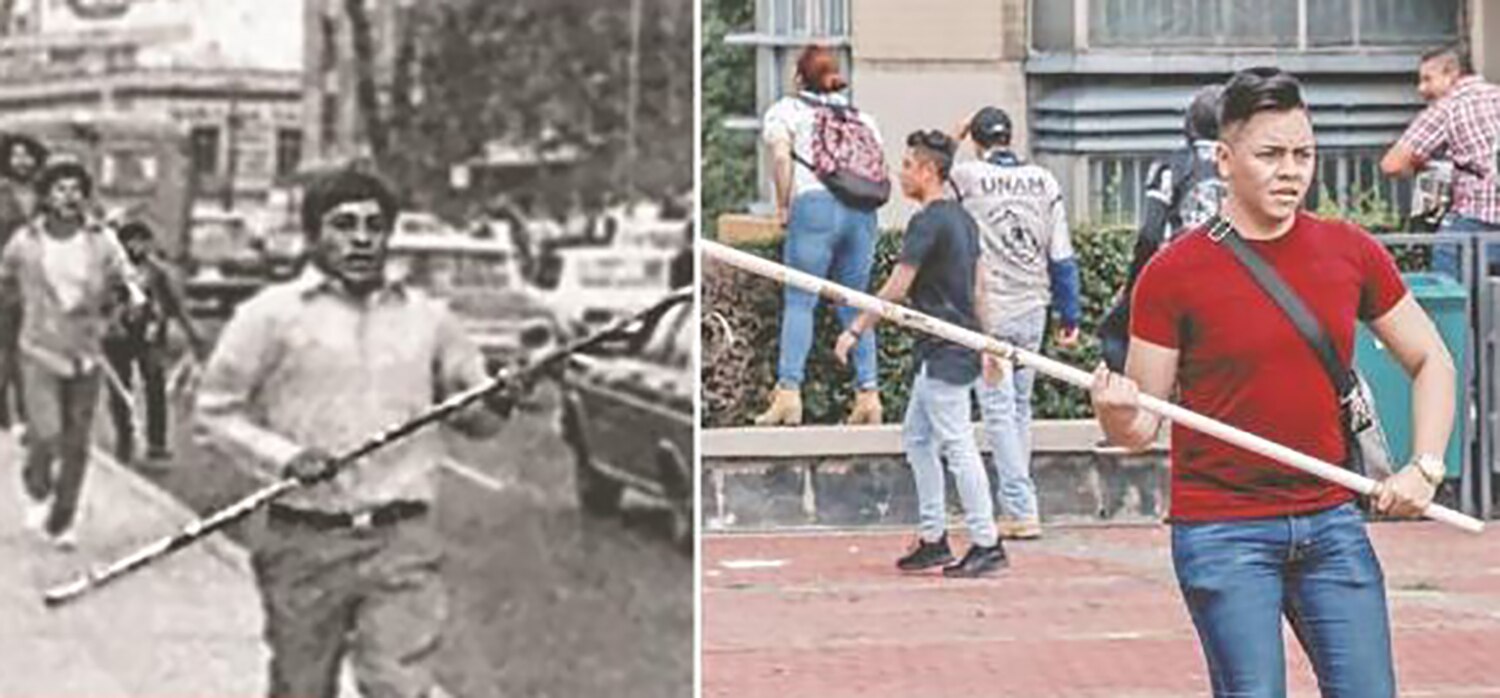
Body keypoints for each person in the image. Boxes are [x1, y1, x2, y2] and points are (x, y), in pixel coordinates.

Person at [1092, 66, 1456, 697]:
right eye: (1270, 155)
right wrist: (1116, 410)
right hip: (1223, 530)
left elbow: (1432, 360)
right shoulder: (1173, 273)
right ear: (1224, 160)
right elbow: (1140, 426)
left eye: (1303, 155)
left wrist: (1424, 466)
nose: (1291, 171)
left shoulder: (1350, 251)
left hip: (1332, 521)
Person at [195, 169, 517, 698]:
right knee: (301, 684)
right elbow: (215, 412)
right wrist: (285, 458)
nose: (362, 239)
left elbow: (475, 418)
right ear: (313, 235)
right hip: (303, 537)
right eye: (344, 225)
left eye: (374, 226)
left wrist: (500, 398)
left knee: (398, 682)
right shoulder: (268, 316)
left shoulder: (431, 320)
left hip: (401, 538)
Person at [835, 130, 1005, 578]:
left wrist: (855, 328)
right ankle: (933, 538)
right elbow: (979, 287)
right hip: (949, 346)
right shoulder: (963, 220)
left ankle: (987, 542)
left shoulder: (928, 222)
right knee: (917, 437)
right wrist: (988, 342)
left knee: (957, 444)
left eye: (908, 165)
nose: (901, 173)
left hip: (946, 348)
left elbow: (897, 286)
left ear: (929, 172)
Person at [947, 106, 1079, 540]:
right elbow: (1062, 254)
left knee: (999, 412)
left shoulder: (967, 176)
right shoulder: (1044, 180)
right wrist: (1070, 314)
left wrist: (954, 136)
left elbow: (931, 175)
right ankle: (1017, 504)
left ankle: (1022, 508)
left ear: (976, 140)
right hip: (1033, 307)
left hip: (991, 310)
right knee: (1019, 408)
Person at [2, 161, 143, 549]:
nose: (70, 197)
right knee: (46, 434)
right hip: (38, 350)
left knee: (77, 443)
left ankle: (62, 521)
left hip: (86, 352)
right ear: (46, 196)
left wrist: (131, 299)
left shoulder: (101, 240)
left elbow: (125, 277)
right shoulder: (26, 241)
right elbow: (5, 279)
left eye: (76, 189)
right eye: (61, 189)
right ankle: (36, 483)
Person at [755, 44, 884, 426]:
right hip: (862, 212)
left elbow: (781, 158)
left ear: (799, 78)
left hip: (814, 208)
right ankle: (869, 395)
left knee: (800, 301)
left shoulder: (787, 110)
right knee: (856, 302)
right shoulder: (861, 117)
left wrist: (783, 206)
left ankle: (789, 394)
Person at [1098, 85, 1225, 372]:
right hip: (1235, 281)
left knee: (1115, 335)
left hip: (1179, 277)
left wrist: (1133, 287)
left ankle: (1133, 390)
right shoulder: (1245, 168)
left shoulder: (1170, 166)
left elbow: (1150, 234)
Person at [1381, 44, 1500, 279]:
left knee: (1448, 277)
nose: (1421, 89)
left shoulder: (1448, 107)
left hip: (1478, 218)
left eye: (1428, 79)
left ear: (1451, 73)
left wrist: (1419, 165)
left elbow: (1391, 165)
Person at [102, 220, 208, 467]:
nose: (138, 247)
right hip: (117, 336)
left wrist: (192, 333)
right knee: (120, 389)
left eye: (143, 241)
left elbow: (175, 305)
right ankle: (125, 438)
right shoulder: (110, 271)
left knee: (155, 386)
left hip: (149, 335)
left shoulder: (157, 272)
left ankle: (156, 443)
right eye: (133, 241)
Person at [0, 133, 46, 432]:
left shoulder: (45, 194)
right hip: (5, 281)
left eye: (27, 155)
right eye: (16, 155)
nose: (22, 161)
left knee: (33, 351)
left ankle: (29, 413)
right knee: (5, 349)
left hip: (39, 282)